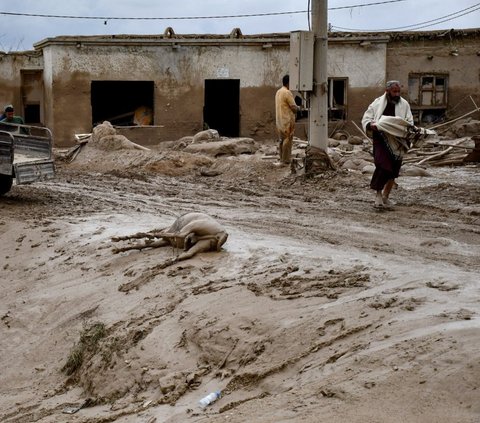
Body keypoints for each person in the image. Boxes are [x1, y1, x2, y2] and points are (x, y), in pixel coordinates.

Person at [361, 81, 413, 208]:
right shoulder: (377, 103)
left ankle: (386, 196)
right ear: (387, 91)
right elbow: (366, 118)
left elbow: (409, 121)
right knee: (383, 166)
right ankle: (378, 195)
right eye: (394, 92)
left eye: (398, 91)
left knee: (394, 170)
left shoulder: (404, 104)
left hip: (397, 141)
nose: (397, 94)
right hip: (381, 139)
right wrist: (371, 125)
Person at [275, 74, 298, 165]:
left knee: (281, 141)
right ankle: (286, 160)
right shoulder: (287, 92)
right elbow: (293, 107)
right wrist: (298, 108)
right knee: (287, 141)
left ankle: (282, 159)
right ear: (289, 83)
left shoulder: (278, 92)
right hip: (287, 121)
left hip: (279, 121)